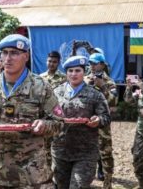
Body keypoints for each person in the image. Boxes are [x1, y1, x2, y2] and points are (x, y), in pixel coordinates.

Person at [0, 34, 63, 189]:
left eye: (14, 53)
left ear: (26, 56)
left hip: (32, 171)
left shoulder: (41, 86)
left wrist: (44, 125)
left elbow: (59, 122)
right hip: (0, 170)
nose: (8, 58)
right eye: (5, 53)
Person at [52, 55, 111, 189]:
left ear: (84, 72)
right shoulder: (56, 92)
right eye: (70, 71)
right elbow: (47, 115)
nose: (74, 74)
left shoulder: (95, 94)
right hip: (60, 150)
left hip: (86, 152)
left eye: (78, 70)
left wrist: (98, 120)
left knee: (78, 186)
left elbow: (106, 117)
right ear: (66, 73)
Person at [84, 52, 116, 188]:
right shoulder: (84, 79)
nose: (92, 66)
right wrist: (87, 84)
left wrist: (102, 86)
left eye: (95, 63)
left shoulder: (109, 82)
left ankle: (107, 182)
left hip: (102, 124)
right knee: (84, 153)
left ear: (102, 65)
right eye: (90, 63)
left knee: (105, 152)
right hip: (85, 124)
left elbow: (113, 102)